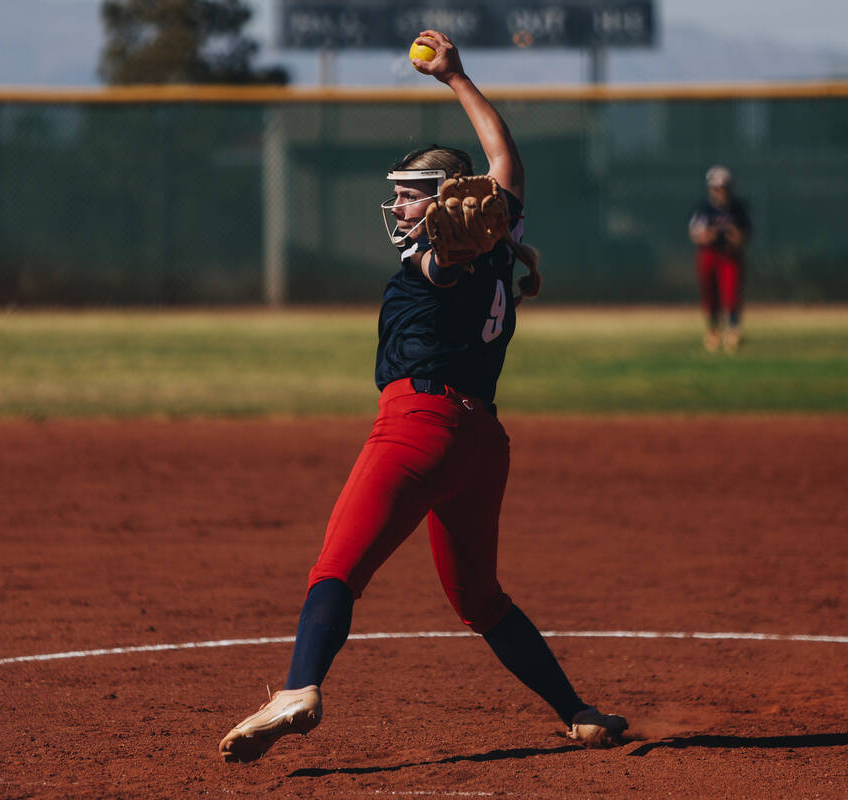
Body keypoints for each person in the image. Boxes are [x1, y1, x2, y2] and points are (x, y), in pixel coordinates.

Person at [218, 29, 627, 764]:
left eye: (410, 196)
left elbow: (446, 261)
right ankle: (579, 711)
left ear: (448, 206)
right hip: (481, 443)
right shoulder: (497, 239)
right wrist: (457, 78)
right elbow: (506, 162)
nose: (400, 207)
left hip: (420, 426)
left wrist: (446, 247)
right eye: (399, 196)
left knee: (336, 569)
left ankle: (299, 689)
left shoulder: (442, 256)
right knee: (479, 600)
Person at [688, 165, 751, 352]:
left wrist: (735, 236)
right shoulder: (703, 209)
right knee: (710, 293)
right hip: (709, 254)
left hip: (729, 255)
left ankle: (733, 330)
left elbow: (745, 233)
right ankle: (713, 331)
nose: (721, 192)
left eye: (724, 187)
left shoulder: (738, 208)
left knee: (731, 291)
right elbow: (695, 233)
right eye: (717, 188)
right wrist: (709, 235)